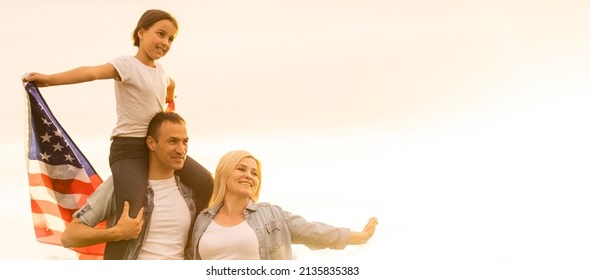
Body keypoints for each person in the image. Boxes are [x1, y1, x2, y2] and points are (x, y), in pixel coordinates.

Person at [23, 9, 213, 259]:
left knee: (206, 181)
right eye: (160, 34)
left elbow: (171, 85)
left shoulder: (162, 72)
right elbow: (90, 73)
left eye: (171, 39)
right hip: (128, 150)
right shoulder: (127, 65)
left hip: (155, 147)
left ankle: (193, 243)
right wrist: (50, 79)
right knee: (132, 213)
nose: (165, 42)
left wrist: (170, 103)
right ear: (141, 32)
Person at [61, 111, 205, 260]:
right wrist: (116, 233)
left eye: (185, 141)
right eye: (173, 141)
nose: (181, 150)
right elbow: (69, 236)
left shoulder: (191, 192)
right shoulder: (121, 184)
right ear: (151, 143)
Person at [187, 150, 379, 260]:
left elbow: (317, 232)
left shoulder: (272, 215)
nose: (249, 175)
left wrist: (361, 236)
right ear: (224, 173)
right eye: (241, 169)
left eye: (254, 173)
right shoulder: (203, 220)